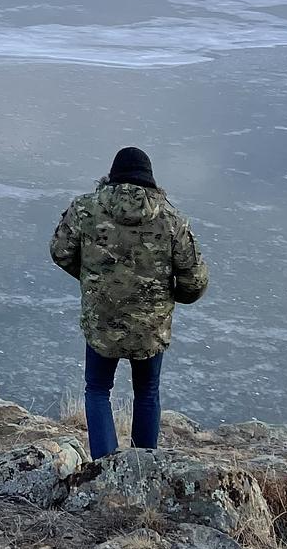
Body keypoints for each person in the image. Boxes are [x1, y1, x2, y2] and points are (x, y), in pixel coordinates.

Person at [49, 146, 208, 459]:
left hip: (102, 321)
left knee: (97, 390)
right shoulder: (172, 220)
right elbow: (195, 280)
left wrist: (94, 280)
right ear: (150, 181)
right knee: (147, 392)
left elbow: (60, 251)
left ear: (111, 177)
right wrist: (166, 298)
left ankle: (106, 469)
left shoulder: (85, 209)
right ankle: (143, 469)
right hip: (150, 326)